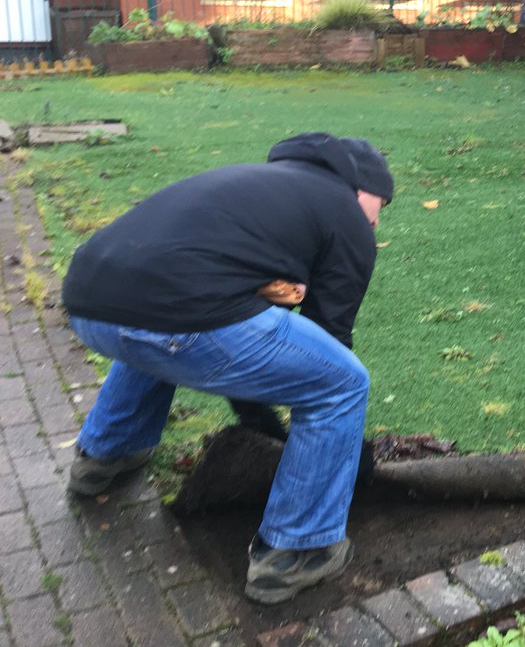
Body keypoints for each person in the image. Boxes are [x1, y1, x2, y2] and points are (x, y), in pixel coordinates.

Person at [61, 132, 393, 605]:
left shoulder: (260, 183)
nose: (377, 219)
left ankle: (102, 457)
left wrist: (254, 410)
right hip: (180, 316)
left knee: (157, 328)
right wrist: (270, 424)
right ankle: (297, 550)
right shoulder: (346, 216)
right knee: (341, 383)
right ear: (362, 187)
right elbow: (327, 340)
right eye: (381, 204)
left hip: (88, 305)